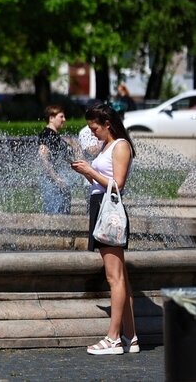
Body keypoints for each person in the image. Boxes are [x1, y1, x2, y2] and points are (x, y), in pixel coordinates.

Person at [70, 103, 139, 355]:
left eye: (95, 127)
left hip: (110, 211)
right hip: (101, 206)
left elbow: (118, 185)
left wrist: (90, 170)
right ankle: (130, 337)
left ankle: (113, 339)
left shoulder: (121, 145)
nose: (93, 132)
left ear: (107, 123)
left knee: (115, 278)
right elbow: (103, 180)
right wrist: (86, 172)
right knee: (122, 277)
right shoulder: (107, 146)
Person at [38, 105, 76, 214]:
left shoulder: (55, 135)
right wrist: (56, 179)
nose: (64, 120)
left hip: (56, 180)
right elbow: (43, 157)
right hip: (52, 182)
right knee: (55, 217)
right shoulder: (46, 134)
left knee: (62, 214)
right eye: (61, 116)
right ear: (51, 118)